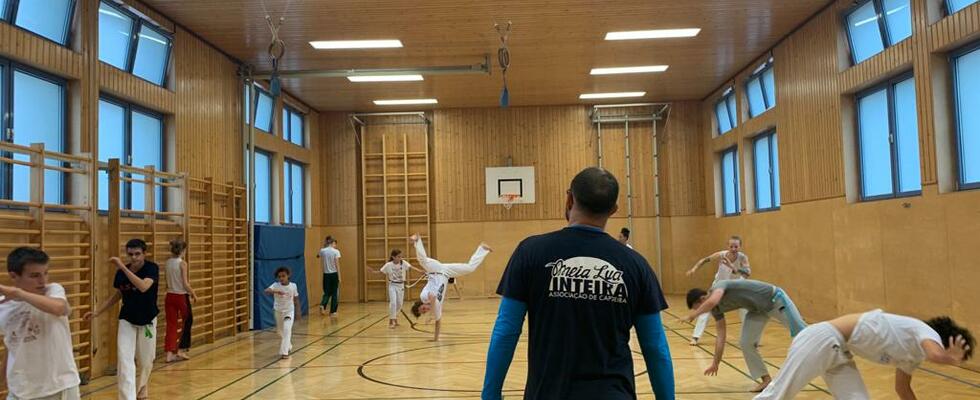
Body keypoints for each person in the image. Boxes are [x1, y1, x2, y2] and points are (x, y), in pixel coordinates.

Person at [482, 167, 674, 400]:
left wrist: (490, 395)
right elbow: (656, 348)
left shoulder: (530, 252)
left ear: (569, 198)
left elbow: (506, 330)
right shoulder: (636, 265)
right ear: (613, 210)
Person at [756, 312, 975, 400]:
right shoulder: (926, 332)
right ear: (948, 341)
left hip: (839, 352)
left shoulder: (913, 355)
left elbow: (903, 389)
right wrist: (950, 358)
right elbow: (936, 354)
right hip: (821, 338)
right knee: (778, 395)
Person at [684, 279, 807, 392]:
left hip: (775, 299)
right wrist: (715, 363)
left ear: (702, 298)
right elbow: (721, 336)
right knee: (746, 343)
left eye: (699, 308)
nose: (702, 312)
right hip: (757, 311)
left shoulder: (719, 286)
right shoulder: (716, 310)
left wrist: (693, 315)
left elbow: (713, 300)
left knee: (803, 333)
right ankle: (765, 380)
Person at [0, 247, 80, 400]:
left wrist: (19, 293)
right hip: (20, 389)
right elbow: (11, 342)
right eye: (34, 275)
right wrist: (2, 376)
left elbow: (59, 308)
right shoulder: (2, 307)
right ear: (13, 276)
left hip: (59, 387)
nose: (43, 281)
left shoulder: (53, 291)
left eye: (45, 273)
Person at [85, 239, 160, 400]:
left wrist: (123, 267)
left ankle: (142, 387)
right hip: (127, 319)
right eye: (130, 254)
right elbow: (119, 294)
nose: (134, 258)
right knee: (125, 359)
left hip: (147, 320)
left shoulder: (151, 268)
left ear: (144, 253)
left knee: (146, 360)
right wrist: (98, 312)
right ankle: (127, 397)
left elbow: (143, 287)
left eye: (137, 254)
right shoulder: (121, 273)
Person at [409, 234, 491, 341]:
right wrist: (435, 339)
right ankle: (482, 249)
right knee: (470, 268)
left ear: (421, 304)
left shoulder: (424, 297)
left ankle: (417, 240)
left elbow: (432, 297)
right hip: (446, 272)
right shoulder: (436, 308)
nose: (426, 310)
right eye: (424, 312)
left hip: (434, 269)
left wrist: (431, 315)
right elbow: (438, 322)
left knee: (422, 260)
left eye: (423, 308)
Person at [685, 235, 750, 345]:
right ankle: (695, 337)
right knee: (706, 308)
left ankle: (748, 339)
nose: (734, 249)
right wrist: (694, 269)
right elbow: (705, 260)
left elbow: (747, 273)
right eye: (731, 246)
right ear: (727, 246)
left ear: (740, 246)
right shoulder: (721, 255)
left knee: (744, 310)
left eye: (736, 247)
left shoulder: (743, 258)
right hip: (718, 286)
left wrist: (733, 267)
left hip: (735, 287)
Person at [164, 239, 197, 363]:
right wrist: (193, 293)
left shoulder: (167, 263)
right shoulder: (182, 263)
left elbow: (166, 281)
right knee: (187, 321)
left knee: (171, 324)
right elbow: (185, 283)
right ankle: (180, 350)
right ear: (183, 250)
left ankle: (169, 353)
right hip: (181, 296)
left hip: (170, 295)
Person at [378, 249, 420, 329]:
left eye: (401, 256)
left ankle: (394, 317)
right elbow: (380, 271)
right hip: (392, 285)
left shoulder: (403, 263)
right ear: (393, 257)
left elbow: (412, 267)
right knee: (393, 302)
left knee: (400, 304)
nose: (400, 258)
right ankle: (392, 320)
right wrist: (372, 272)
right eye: (398, 256)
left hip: (401, 286)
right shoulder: (388, 265)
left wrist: (420, 271)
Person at [265, 267, 300, 359]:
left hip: (289, 311)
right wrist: (276, 291)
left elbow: (296, 299)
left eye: (283, 276)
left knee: (287, 330)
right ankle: (288, 345)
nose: (281, 278)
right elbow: (266, 291)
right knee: (280, 332)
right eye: (279, 276)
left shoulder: (293, 286)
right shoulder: (276, 285)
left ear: (288, 275)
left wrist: (298, 312)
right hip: (278, 311)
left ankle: (284, 352)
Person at [316, 236, 341, 317]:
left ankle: (323, 305)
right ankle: (333, 312)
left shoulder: (323, 250)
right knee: (334, 293)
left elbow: (317, 256)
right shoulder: (336, 251)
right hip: (334, 274)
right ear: (332, 243)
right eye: (335, 244)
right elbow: (337, 264)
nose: (335, 246)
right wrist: (339, 276)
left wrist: (324, 247)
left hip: (326, 275)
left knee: (326, 292)